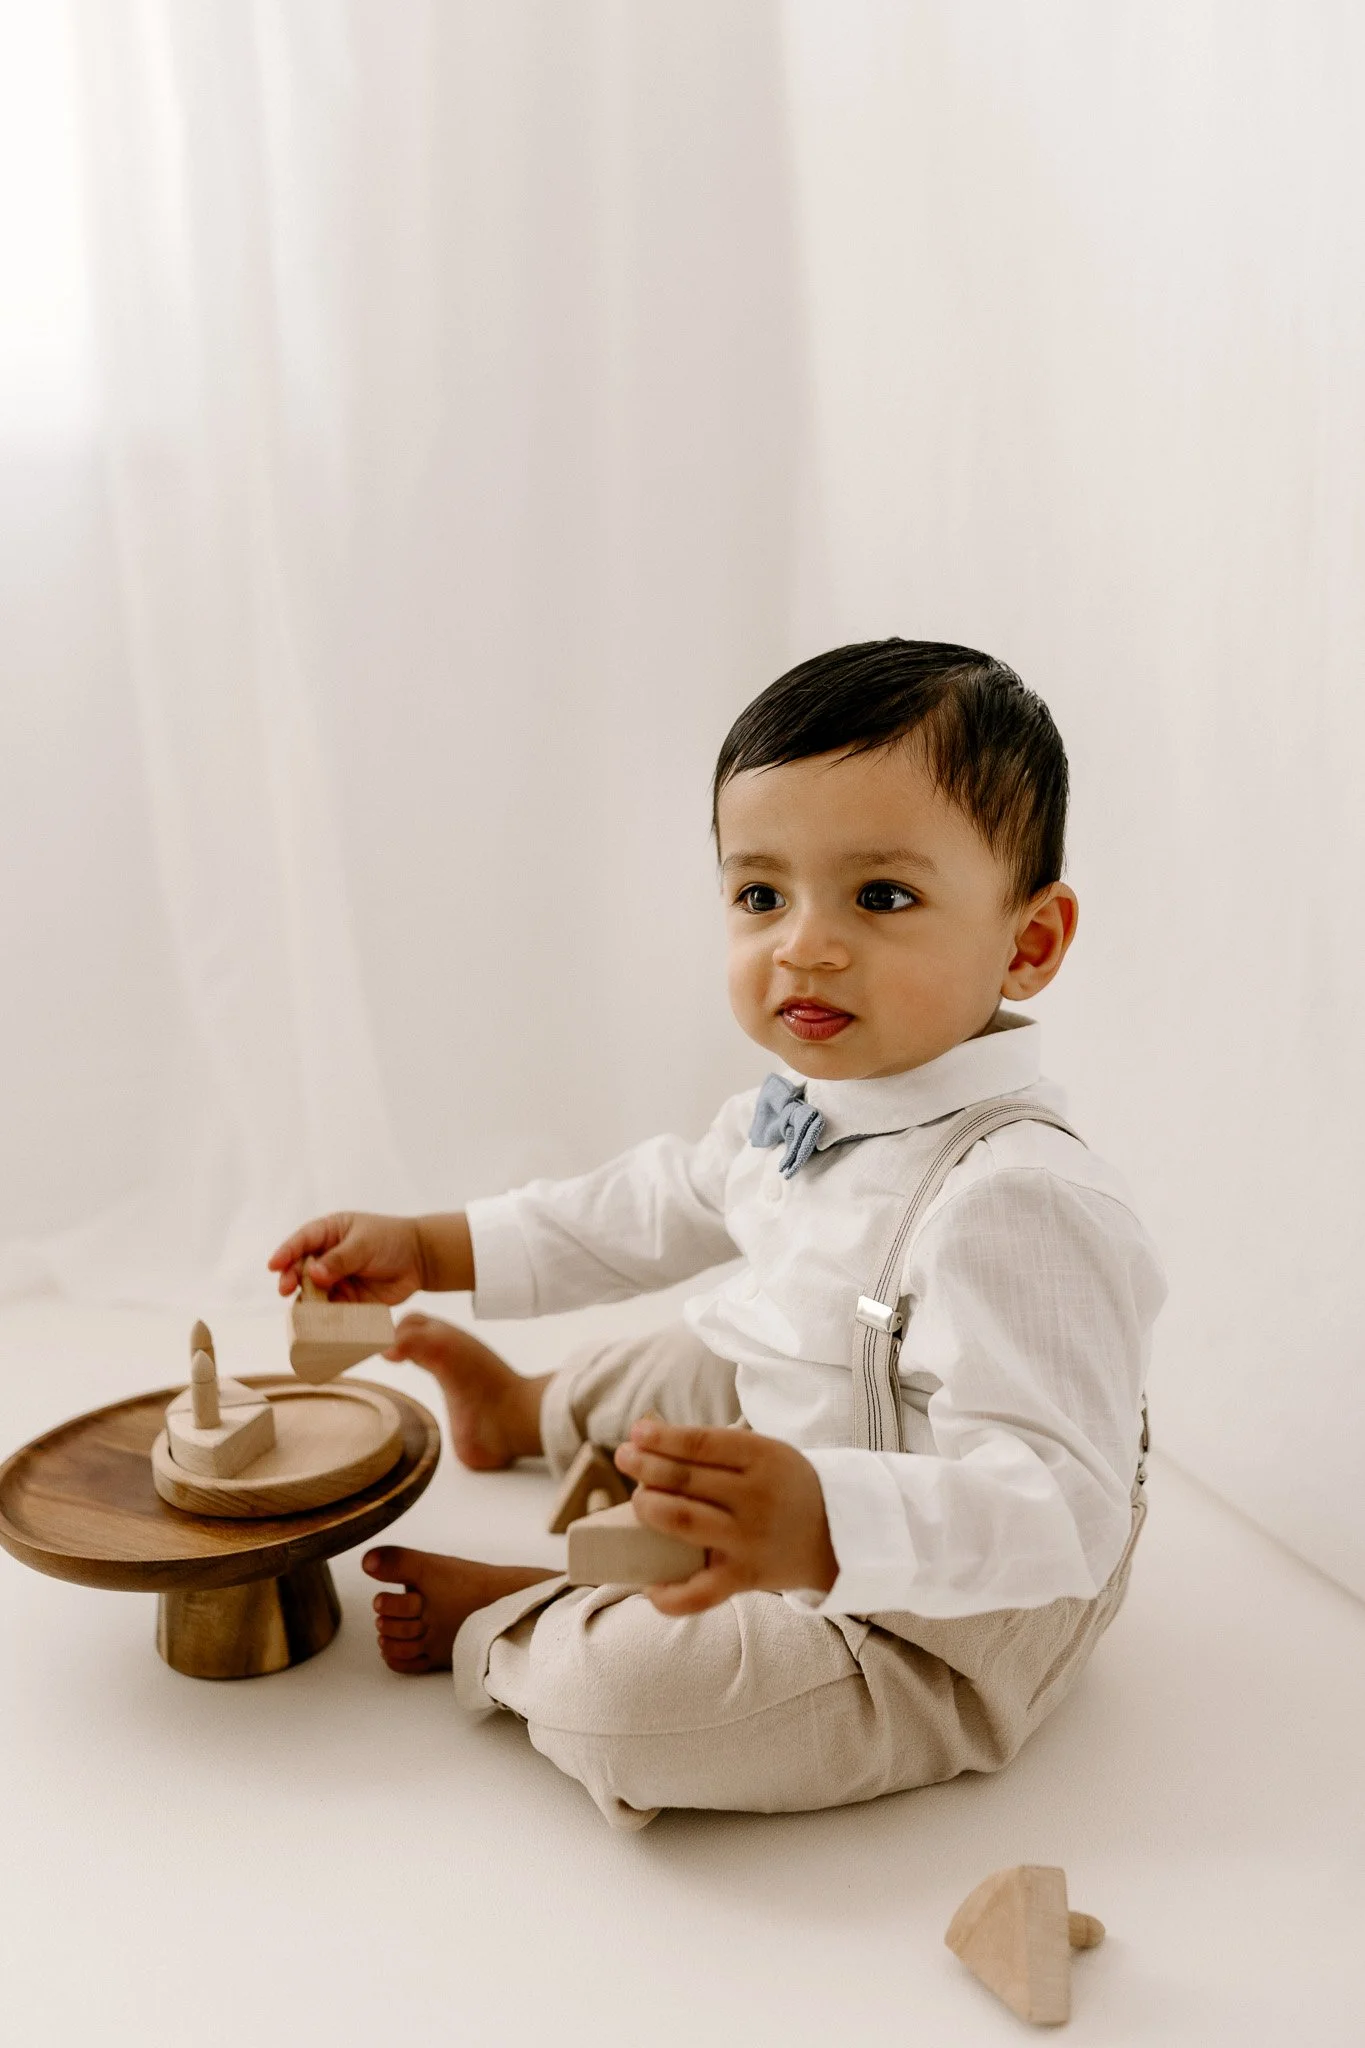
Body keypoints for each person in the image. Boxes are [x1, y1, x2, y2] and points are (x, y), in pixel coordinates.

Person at [269, 638, 1165, 1830]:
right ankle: (531, 1409)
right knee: (706, 1344)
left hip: (938, 1609)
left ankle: (523, 1619)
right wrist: (437, 1245)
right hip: (815, 1451)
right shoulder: (807, 1104)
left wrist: (828, 1523)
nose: (804, 942)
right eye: (761, 894)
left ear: (1029, 942)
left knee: (630, 1702)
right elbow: (650, 1207)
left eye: (881, 896)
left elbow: (1066, 1507)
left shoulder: (1019, 1202)